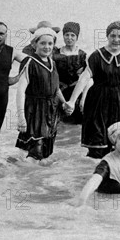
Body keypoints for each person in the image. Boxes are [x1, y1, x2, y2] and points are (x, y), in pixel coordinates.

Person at [66, 21, 120, 158]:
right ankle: (90, 174)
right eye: (113, 35)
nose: (116, 39)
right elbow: (84, 78)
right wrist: (72, 101)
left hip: (117, 104)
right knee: (96, 146)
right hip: (97, 102)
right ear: (107, 36)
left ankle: (109, 176)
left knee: (115, 146)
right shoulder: (96, 56)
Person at [15, 28, 71, 161]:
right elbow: (20, 91)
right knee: (35, 152)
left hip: (51, 112)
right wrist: (21, 117)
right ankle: (26, 177)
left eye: (50, 44)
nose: (47, 47)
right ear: (35, 44)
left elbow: (56, 89)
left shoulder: (53, 63)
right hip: (34, 111)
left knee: (46, 153)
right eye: (43, 43)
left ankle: (41, 180)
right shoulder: (29, 62)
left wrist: (65, 103)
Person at [53, 22, 87, 124]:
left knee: (77, 126)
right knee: (59, 125)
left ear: (77, 37)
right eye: (66, 35)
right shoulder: (55, 54)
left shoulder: (82, 55)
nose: (69, 38)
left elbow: (87, 79)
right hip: (59, 93)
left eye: (73, 35)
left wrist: (83, 99)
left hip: (76, 94)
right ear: (63, 36)